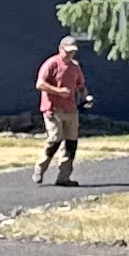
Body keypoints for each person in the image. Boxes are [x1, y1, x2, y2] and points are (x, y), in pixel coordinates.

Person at [34, 33, 90, 183]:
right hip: (53, 109)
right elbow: (40, 84)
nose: (70, 54)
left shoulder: (75, 67)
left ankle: (64, 177)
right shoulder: (51, 64)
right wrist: (58, 91)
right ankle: (40, 167)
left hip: (70, 109)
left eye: (73, 52)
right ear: (60, 49)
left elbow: (80, 85)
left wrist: (85, 97)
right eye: (68, 51)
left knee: (71, 143)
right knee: (55, 139)